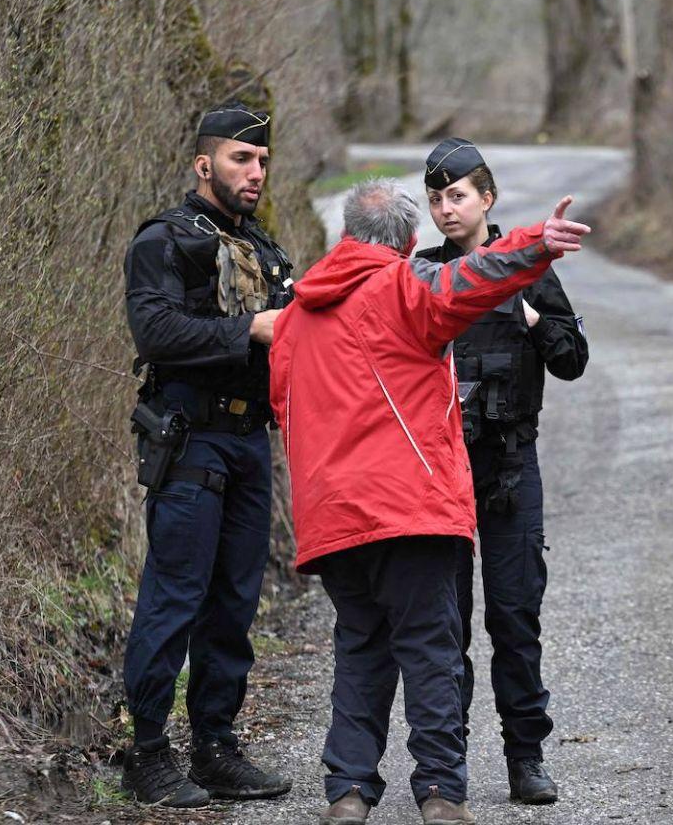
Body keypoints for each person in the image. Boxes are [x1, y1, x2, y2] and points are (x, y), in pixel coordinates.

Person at [269, 179, 590, 825]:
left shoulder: (296, 316)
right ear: (411, 243)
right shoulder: (407, 290)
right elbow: (476, 276)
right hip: (408, 508)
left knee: (361, 645)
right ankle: (441, 792)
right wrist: (536, 246)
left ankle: (349, 791)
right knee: (430, 651)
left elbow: (286, 410)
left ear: (345, 237)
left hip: (333, 516)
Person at [120, 102, 293, 806]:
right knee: (175, 599)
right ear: (204, 164)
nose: (254, 173)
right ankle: (147, 754)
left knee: (233, 605)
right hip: (191, 441)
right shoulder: (164, 239)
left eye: (261, 162)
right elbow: (156, 330)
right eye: (240, 160)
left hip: (252, 442)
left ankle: (215, 746)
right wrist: (250, 328)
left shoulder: (267, 249)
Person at [417, 138, 587, 804]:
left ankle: (526, 757)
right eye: (435, 198)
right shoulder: (424, 274)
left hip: (512, 464)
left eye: (456, 196)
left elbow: (572, 359)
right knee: (444, 622)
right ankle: (446, 763)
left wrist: (532, 313)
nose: (444, 209)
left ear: (487, 199)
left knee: (515, 617)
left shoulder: (528, 270)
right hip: (440, 471)